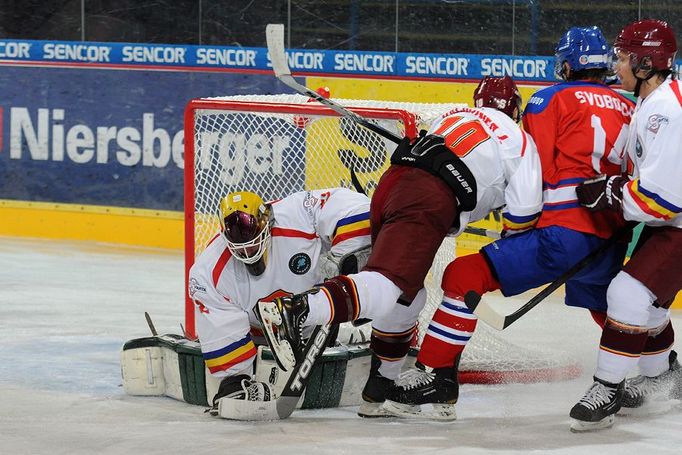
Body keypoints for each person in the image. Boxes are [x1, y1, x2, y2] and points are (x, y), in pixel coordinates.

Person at [380, 26, 635, 420]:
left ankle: (436, 377)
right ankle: (661, 371)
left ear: (566, 64)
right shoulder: (631, 105)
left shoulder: (549, 99)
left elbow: (536, 168)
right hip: (613, 234)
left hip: (563, 231)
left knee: (463, 274)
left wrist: (517, 222)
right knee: (616, 307)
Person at [256, 75, 543, 419]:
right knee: (389, 283)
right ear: (516, 109)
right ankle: (298, 309)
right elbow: (525, 212)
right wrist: (511, 242)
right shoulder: (518, 139)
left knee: (409, 296)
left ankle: (379, 390)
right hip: (427, 200)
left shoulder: (452, 117)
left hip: (392, 187)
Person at [572, 19, 682, 432]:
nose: (615, 65)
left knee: (628, 293)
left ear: (644, 62)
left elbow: (662, 198)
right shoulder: (652, 104)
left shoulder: (668, 111)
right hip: (672, 222)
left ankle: (606, 389)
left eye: (621, 57)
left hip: (676, 221)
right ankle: (665, 379)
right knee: (648, 304)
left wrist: (615, 195)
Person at [188, 187, 372, 417]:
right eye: (240, 247)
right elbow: (219, 323)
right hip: (255, 334)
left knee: (374, 283)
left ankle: (361, 336)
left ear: (267, 222)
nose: (248, 251)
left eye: (254, 242)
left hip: (314, 321)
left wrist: (341, 259)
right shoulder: (208, 271)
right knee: (232, 370)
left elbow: (358, 208)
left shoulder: (298, 214)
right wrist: (235, 379)